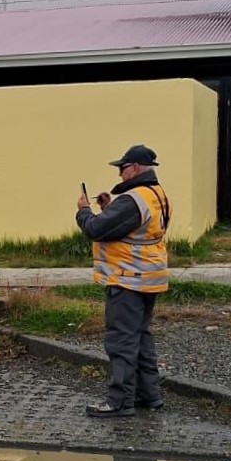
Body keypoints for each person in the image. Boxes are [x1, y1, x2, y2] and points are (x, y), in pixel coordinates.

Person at [75, 144, 171, 418]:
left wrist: (84, 211)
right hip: (149, 277)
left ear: (136, 168)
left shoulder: (132, 200)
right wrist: (109, 207)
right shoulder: (157, 194)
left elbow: (96, 229)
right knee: (141, 338)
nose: (120, 174)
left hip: (127, 279)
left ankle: (120, 401)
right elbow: (135, 228)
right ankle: (148, 395)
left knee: (121, 342)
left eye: (123, 168)